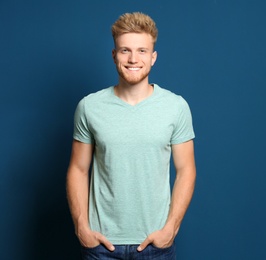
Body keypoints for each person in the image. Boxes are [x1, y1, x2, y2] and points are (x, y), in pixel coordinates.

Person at [66, 12, 196, 260]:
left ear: (153, 57)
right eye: (125, 50)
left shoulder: (176, 107)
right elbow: (78, 169)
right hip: (101, 245)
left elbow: (186, 170)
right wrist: (82, 226)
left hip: (155, 245)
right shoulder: (89, 107)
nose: (133, 58)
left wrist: (171, 228)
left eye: (142, 51)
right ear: (114, 55)